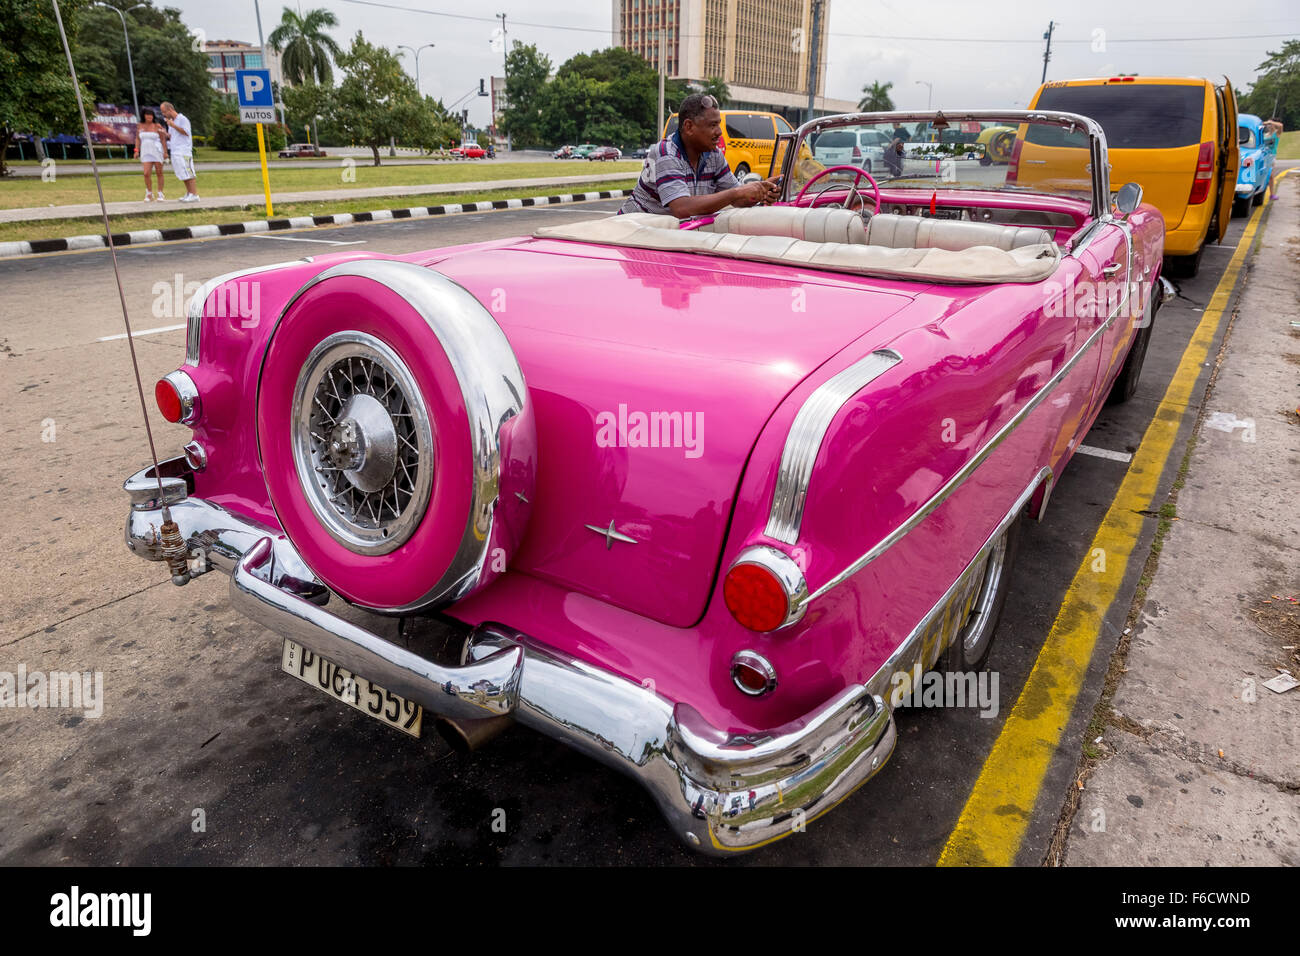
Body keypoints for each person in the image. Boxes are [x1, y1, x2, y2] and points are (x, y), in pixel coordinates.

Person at [620, 93, 779, 218]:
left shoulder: (713, 155)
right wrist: (737, 193)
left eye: (719, 124)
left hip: (662, 235)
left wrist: (760, 192)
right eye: (712, 125)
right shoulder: (666, 153)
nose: (719, 132)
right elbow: (682, 208)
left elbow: (737, 198)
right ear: (689, 127)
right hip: (630, 235)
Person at [159, 101, 200, 202]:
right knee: (182, 173)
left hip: (184, 150)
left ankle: (194, 194)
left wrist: (173, 125)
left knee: (189, 171)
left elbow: (186, 132)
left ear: (170, 110)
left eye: (164, 111)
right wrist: (165, 133)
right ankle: (189, 193)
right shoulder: (171, 121)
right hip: (175, 151)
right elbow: (174, 135)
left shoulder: (182, 119)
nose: (163, 114)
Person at [134, 108, 168, 202]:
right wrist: (136, 150)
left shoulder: (157, 126)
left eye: (151, 115)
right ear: (143, 116)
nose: (149, 116)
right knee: (146, 173)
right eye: (147, 114)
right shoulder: (139, 126)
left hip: (156, 150)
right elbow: (137, 139)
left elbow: (162, 139)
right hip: (145, 151)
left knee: (159, 172)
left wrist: (165, 152)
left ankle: (160, 193)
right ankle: (149, 193)